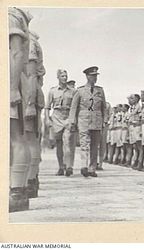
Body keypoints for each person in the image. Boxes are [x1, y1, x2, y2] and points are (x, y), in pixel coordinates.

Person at [9, 7, 33, 212]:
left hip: (10, 82)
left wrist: (11, 88)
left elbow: (16, 52)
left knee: (16, 137)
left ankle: (18, 191)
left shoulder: (10, 15)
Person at [68, 66, 107, 177]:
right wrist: (72, 121)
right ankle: (84, 166)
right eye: (92, 76)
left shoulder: (100, 90)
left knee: (95, 145)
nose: (95, 78)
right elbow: (74, 107)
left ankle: (92, 168)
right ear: (87, 76)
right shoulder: (79, 91)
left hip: (97, 120)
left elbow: (104, 107)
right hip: (83, 120)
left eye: (96, 76)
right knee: (84, 144)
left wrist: (105, 120)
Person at [25, 30, 46, 198]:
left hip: (28, 95)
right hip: (27, 93)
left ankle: (31, 182)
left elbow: (32, 76)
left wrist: (30, 103)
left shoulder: (29, 41)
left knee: (29, 140)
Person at [45, 69, 77, 177]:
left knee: (67, 141)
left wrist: (73, 120)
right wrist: (47, 119)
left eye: (66, 76)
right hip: (56, 118)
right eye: (62, 76)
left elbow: (75, 107)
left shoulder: (72, 91)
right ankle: (61, 167)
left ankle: (69, 166)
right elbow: (47, 107)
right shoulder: (52, 91)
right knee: (59, 144)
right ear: (58, 77)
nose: (65, 78)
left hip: (68, 117)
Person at [130, 94, 143, 170]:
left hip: (137, 126)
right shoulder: (133, 107)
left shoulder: (139, 107)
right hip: (133, 126)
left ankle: (140, 162)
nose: (132, 100)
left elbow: (141, 117)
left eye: (134, 98)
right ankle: (136, 161)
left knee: (139, 146)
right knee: (135, 146)